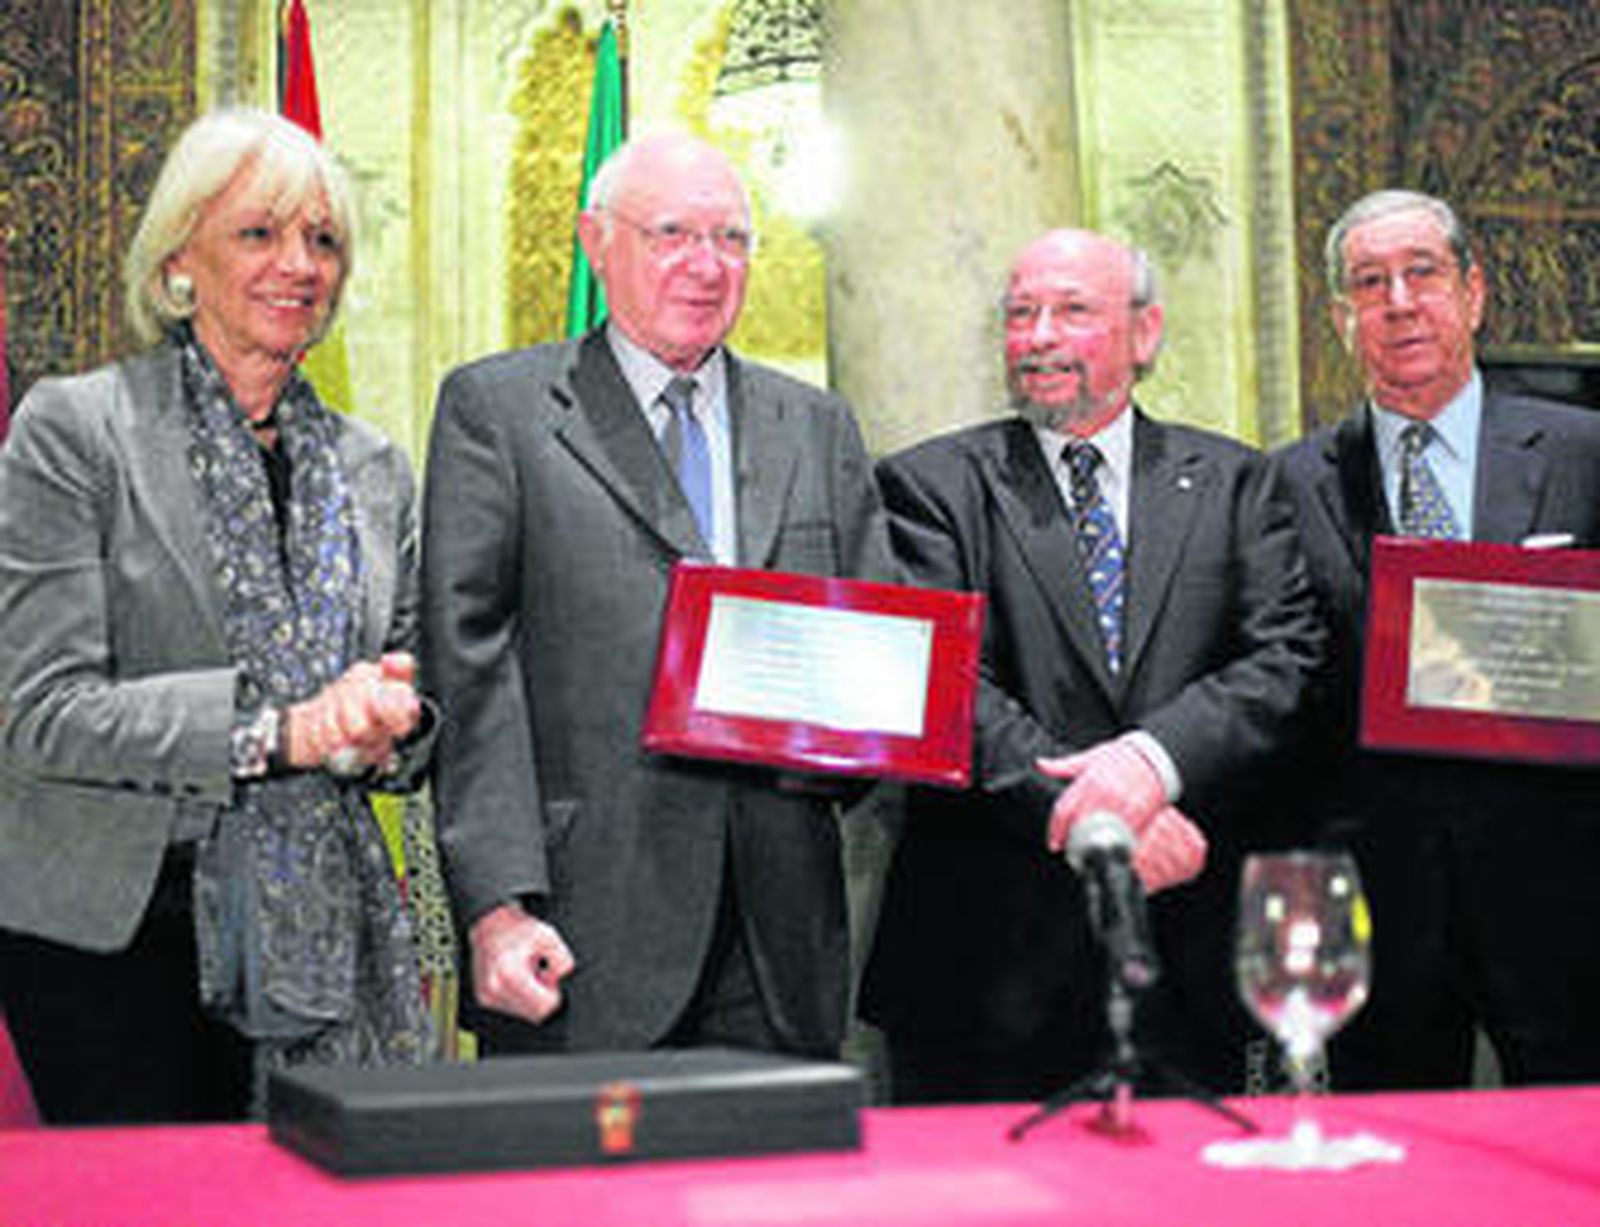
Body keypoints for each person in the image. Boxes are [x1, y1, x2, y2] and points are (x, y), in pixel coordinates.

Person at [0, 109, 434, 1125]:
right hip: (118, 940)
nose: (299, 265)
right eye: (259, 233)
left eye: (322, 240)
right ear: (178, 263)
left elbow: (415, 693)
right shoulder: (77, 430)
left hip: (333, 929)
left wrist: (392, 721)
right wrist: (280, 733)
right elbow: (40, 711)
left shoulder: (375, 469)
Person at [421, 132, 897, 1060]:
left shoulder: (816, 425)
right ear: (596, 243)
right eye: (672, 233)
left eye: (731, 239)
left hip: (780, 937)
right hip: (576, 930)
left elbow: (872, 654)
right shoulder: (499, 413)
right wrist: (496, 903)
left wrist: (864, 729)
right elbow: (469, 673)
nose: (706, 265)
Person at [857, 229, 1325, 1103]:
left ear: (1144, 333)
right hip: (988, 969)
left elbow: (1285, 659)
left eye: (1071, 311)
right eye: (1021, 313)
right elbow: (939, 682)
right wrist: (1104, 819)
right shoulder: (928, 486)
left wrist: (1153, 762)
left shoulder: (1236, 482)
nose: (1038, 336)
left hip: (1195, 962)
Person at [1274, 189, 1600, 1090]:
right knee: (1397, 1143)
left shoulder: (1585, 453)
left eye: (1422, 273)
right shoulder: (1286, 484)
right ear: (1341, 318)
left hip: (1563, 883)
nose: (1399, 302)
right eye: (1368, 283)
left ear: (1473, 292)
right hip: (1377, 893)